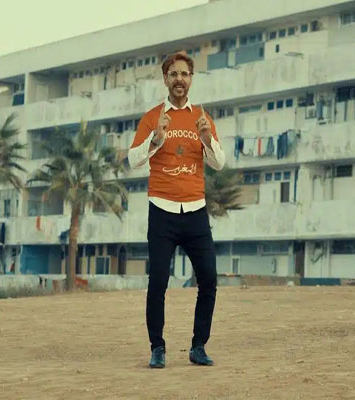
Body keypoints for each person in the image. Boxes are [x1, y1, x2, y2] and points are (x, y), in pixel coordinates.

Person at [128, 52, 225, 368]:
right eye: (173, 74)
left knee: (208, 279)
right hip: (162, 211)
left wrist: (207, 139)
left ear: (191, 79)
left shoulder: (201, 118)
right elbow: (133, 160)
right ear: (165, 79)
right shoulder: (152, 117)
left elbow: (219, 163)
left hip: (195, 211)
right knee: (158, 283)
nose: (179, 79)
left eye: (184, 74)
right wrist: (155, 139)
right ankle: (157, 347)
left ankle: (198, 346)